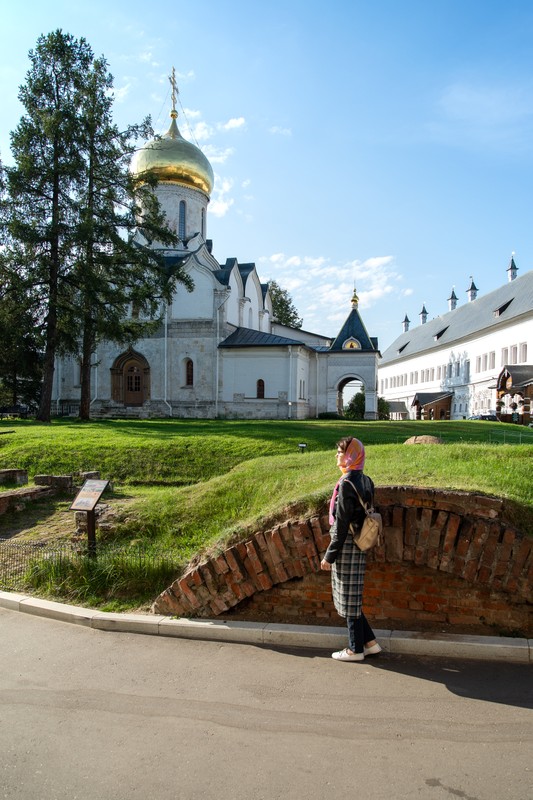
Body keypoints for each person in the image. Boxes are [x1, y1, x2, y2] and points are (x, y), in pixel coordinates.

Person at [320, 436, 382, 662]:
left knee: (348, 597)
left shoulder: (346, 484)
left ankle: (355, 650)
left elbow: (342, 524)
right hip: (359, 542)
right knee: (351, 597)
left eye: (339, 452)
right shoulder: (366, 479)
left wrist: (329, 556)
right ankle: (370, 643)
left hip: (346, 544)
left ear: (350, 456)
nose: (336, 456)